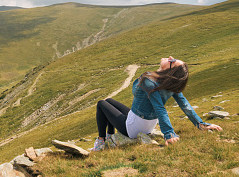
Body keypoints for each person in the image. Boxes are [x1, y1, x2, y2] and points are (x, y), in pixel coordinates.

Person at [91, 56, 222, 151]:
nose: (170, 57)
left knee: (101, 104)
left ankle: (101, 141)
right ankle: (110, 137)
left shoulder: (150, 81)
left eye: (172, 61)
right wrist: (201, 124)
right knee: (109, 102)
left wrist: (169, 134)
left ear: (170, 69)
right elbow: (185, 105)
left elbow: (160, 108)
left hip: (133, 127)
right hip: (146, 124)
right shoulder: (167, 84)